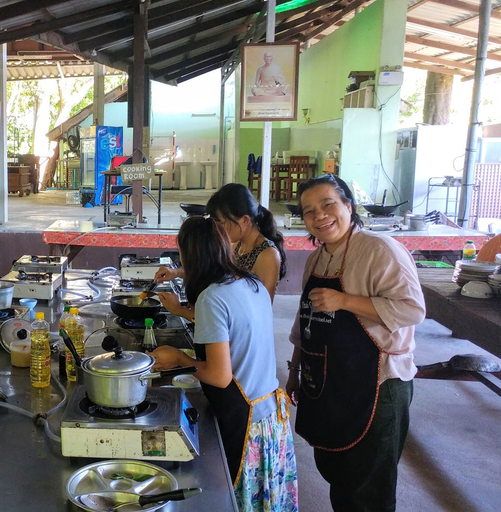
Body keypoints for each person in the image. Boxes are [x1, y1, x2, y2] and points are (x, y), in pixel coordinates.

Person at [285, 174, 424, 512]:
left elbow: (413, 309)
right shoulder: (318, 259)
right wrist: (295, 370)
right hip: (332, 382)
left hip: (379, 385)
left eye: (328, 204)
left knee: (369, 489)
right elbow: (307, 320)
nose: (319, 216)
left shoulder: (380, 250)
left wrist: (344, 301)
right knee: (337, 471)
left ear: (348, 205)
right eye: (309, 211)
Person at [151, 217, 298, 512]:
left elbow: (219, 376)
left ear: (189, 254)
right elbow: (231, 330)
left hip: (247, 424)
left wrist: (179, 359)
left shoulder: (211, 297)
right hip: (271, 419)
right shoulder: (248, 281)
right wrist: (181, 311)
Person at [155, 183, 286, 320]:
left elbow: (259, 312)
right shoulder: (234, 244)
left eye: (221, 223)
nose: (217, 229)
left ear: (245, 220)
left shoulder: (268, 255)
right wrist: (175, 273)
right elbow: (213, 275)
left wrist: (180, 310)